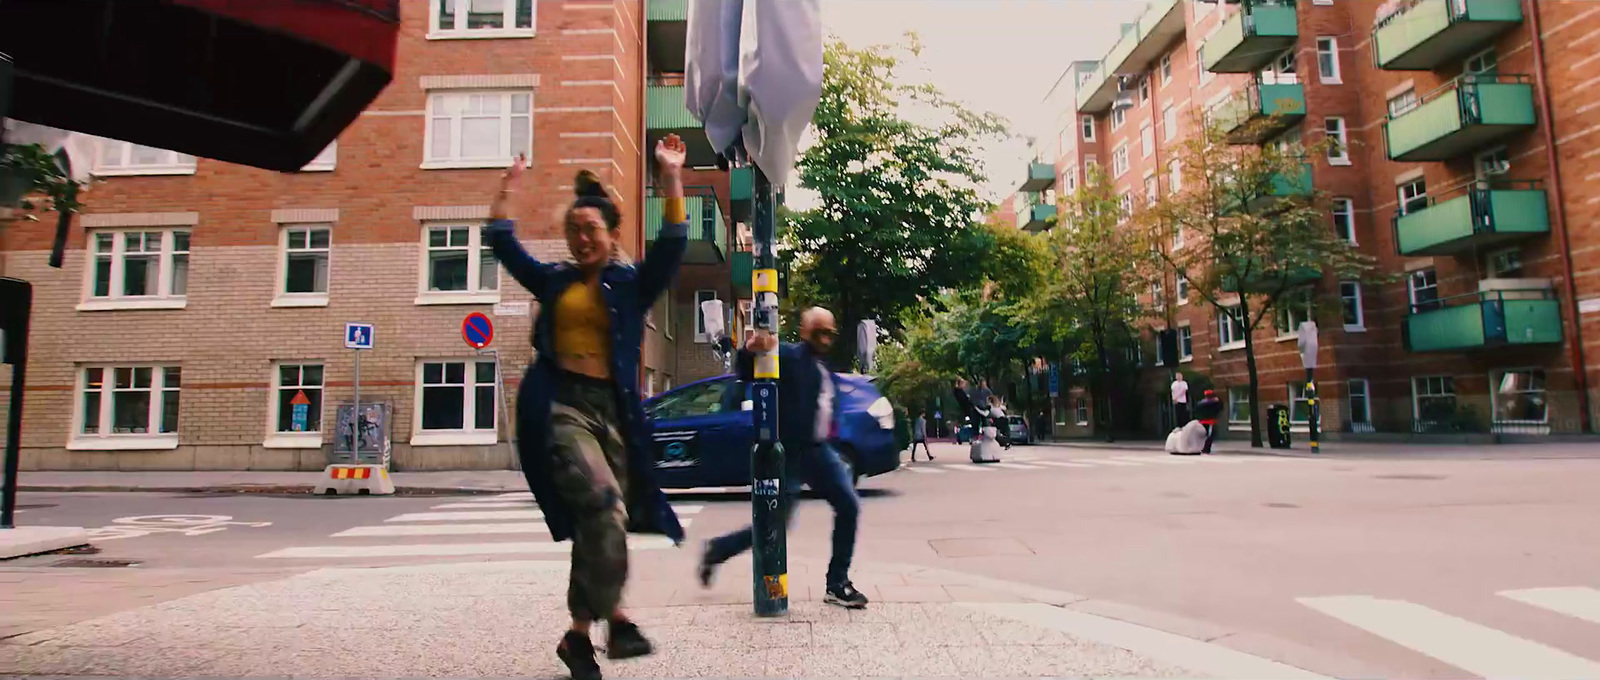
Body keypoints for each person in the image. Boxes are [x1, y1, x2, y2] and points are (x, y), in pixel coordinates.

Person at [486, 135, 691, 680]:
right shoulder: (554, 281)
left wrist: (670, 177)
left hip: (614, 411)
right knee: (604, 507)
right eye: (572, 231)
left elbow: (672, 244)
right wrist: (507, 190)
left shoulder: (630, 285)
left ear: (611, 234)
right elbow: (502, 242)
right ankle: (618, 619)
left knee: (600, 526)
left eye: (590, 230)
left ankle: (578, 637)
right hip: (561, 406)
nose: (580, 239)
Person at [697, 307, 870, 609]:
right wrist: (750, 350)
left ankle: (837, 583)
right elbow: (749, 368)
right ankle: (717, 549)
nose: (826, 338)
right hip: (790, 452)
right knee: (774, 524)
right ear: (805, 331)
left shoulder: (821, 366)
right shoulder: (790, 356)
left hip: (819, 451)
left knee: (849, 505)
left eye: (830, 332)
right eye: (819, 331)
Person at [1193, 389, 1224, 455]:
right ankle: (1206, 449)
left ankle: (1203, 447)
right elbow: (1220, 407)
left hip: (1202, 421)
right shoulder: (1215, 402)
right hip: (1211, 421)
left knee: (1204, 435)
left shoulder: (1201, 403)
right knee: (1211, 435)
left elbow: (1196, 411)